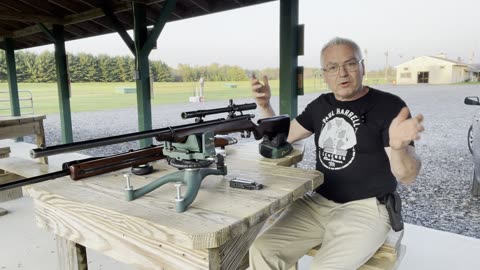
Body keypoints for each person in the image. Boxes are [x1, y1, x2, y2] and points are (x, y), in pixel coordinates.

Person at [249, 37, 424, 270]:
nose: (342, 73)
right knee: (262, 250)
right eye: (333, 67)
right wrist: (264, 105)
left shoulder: (389, 106)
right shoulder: (321, 105)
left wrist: (399, 146)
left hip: (366, 209)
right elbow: (284, 135)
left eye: (350, 64)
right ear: (324, 74)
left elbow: (407, 176)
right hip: (316, 203)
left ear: (362, 67)